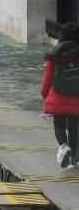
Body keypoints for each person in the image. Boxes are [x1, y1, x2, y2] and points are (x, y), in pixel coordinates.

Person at [42, 23, 79, 168]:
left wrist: (44, 94)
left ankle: (64, 147)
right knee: (74, 127)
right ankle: (74, 160)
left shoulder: (55, 53)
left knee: (59, 126)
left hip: (58, 96)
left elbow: (48, 76)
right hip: (76, 97)